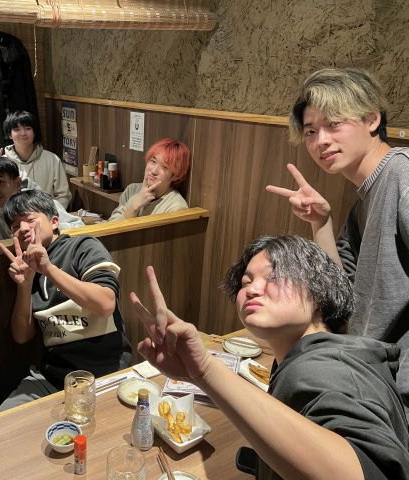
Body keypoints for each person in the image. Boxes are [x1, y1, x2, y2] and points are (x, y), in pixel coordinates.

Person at [132, 235, 409, 479]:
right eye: (246, 282)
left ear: (319, 289)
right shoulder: (320, 355)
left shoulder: (321, 369)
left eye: (273, 276)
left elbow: (370, 471)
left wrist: (205, 369)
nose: (251, 289)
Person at [265, 67, 409, 418]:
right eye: (311, 131)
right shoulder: (364, 201)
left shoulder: (402, 176)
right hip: (371, 377)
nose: (321, 141)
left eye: (333, 124)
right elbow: (339, 292)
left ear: (372, 119)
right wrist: (321, 222)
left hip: (393, 390)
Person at [0, 190, 131, 411]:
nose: (22, 228)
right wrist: (25, 285)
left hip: (105, 373)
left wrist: (48, 269)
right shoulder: (25, 266)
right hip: (51, 379)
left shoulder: (82, 247)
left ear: (54, 221)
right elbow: (22, 336)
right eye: (15, 226)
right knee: (4, 421)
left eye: (29, 219)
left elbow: (105, 305)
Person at [0, 155, 84, 241]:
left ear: (18, 183)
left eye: (0, 182)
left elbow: (80, 227)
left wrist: (46, 231)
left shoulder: (40, 203)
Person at [1, 110, 72, 209]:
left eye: (28, 128)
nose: (23, 133)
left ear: (34, 133)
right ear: (9, 134)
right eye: (17, 129)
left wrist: (50, 213)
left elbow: (64, 195)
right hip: (14, 215)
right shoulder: (3, 163)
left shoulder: (52, 159)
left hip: (48, 214)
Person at [108, 138, 190, 221]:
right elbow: (111, 225)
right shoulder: (132, 189)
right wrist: (132, 207)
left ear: (175, 176)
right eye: (153, 161)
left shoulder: (176, 207)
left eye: (164, 167)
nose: (154, 171)